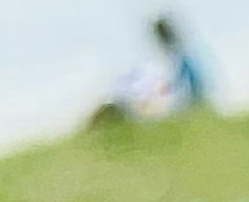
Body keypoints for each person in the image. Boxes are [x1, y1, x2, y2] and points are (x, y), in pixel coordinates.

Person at [86, 11, 214, 132]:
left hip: (183, 113)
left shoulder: (183, 60)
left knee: (114, 107)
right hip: (183, 110)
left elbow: (186, 95)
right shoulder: (183, 58)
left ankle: (91, 137)